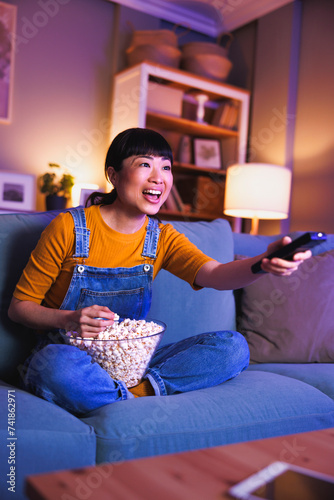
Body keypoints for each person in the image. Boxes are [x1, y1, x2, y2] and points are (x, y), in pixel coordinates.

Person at [8, 128, 311, 416]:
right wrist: (70, 319)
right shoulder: (70, 227)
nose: (159, 178)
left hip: (134, 363)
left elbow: (217, 274)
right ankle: (138, 396)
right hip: (69, 353)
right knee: (53, 367)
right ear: (113, 175)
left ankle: (130, 395)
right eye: (144, 164)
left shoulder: (161, 237)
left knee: (233, 348)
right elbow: (19, 308)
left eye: (166, 167)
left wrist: (262, 263)